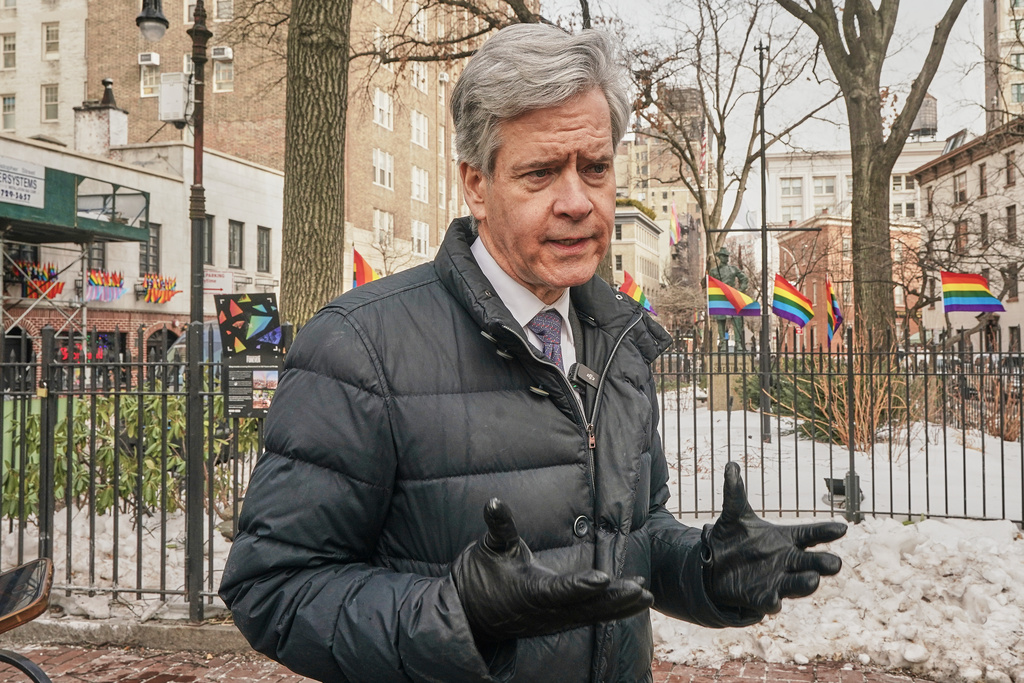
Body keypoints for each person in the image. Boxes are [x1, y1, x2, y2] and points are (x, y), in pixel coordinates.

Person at [219, 23, 846, 683]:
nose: (578, 201)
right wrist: (458, 613)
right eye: (541, 172)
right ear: (477, 185)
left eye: (595, 168)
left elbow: (633, 538)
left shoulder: (616, 338)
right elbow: (274, 586)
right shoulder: (357, 347)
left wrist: (709, 570)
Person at [709, 247, 749, 351]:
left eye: (726, 256)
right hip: (720, 298)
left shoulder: (733, 269)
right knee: (720, 321)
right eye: (723, 256)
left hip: (732, 297)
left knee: (737, 320)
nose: (725, 258)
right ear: (719, 257)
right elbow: (709, 285)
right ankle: (722, 343)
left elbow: (744, 279)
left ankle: (738, 343)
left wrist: (739, 290)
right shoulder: (714, 271)